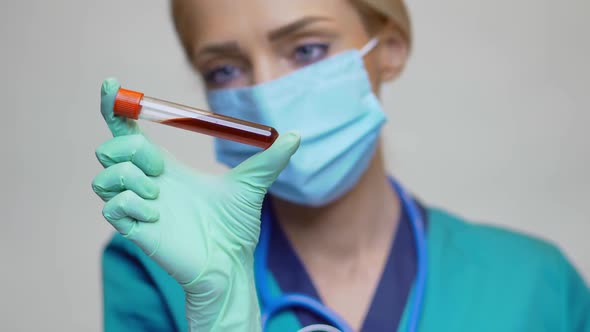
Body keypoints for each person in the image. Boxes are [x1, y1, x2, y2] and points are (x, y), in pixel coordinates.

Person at [92, 0, 590, 331]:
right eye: (225, 68)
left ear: (389, 49)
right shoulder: (157, 265)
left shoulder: (534, 285)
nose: (265, 95)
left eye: (307, 49)